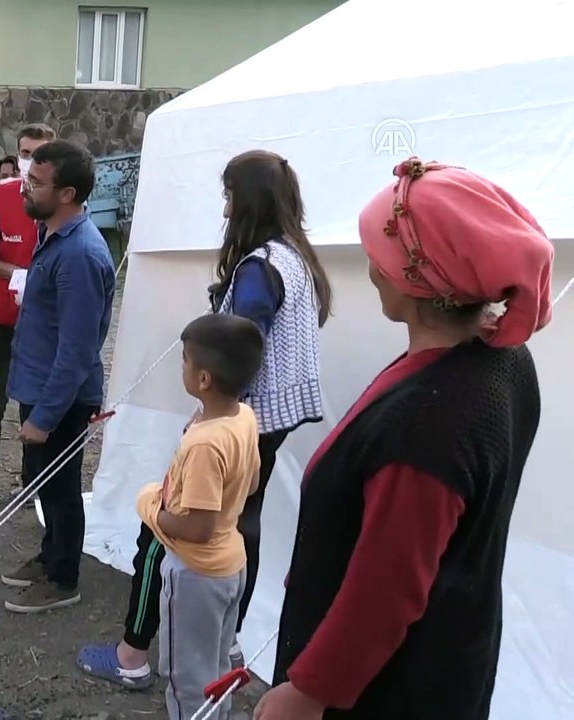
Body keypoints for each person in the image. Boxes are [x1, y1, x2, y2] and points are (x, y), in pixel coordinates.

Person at [254, 158, 552, 720]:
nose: (370, 269)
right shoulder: (504, 359)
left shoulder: (428, 426)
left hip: (393, 687)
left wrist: (308, 693)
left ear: (421, 280)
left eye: (379, 258)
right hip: (456, 647)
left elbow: (385, 592)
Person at [79, 314, 264, 719]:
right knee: (216, 665)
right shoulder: (244, 418)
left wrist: (152, 509)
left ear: (203, 379)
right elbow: (250, 487)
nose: (180, 365)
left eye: (184, 360)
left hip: (196, 575)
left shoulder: (203, 444)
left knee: (187, 677)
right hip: (232, 564)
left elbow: (197, 528)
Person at [209, 150, 332, 668]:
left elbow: (242, 346)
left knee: (229, 521)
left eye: (229, 196)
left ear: (249, 200)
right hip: (280, 411)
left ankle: (222, 632)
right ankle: (229, 631)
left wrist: (213, 412)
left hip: (252, 412)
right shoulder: (293, 254)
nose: (225, 210)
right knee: (245, 516)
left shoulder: (261, 266)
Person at [0, 139, 115, 613]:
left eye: (36, 183)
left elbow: (77, 349)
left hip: (62, 398)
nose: (25, 189)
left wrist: (45, 417)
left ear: (66, 193)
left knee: (62, 488)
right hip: (43, 389)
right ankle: (51, 556)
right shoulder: (54, 236)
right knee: (45, 483)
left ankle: (64, 578)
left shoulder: (80, 255)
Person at [0, 123, 56, 513]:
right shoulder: (0, 198)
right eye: (24, 152)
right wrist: (14, 273)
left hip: (43, 322)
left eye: (38, 153)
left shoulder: (60, 200)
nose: (29, 160)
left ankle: (32, 482)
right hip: (1, 320)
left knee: (35, 405)